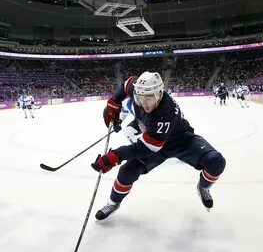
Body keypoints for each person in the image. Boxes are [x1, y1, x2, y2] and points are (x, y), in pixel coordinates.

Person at [91, 71, 226, 220]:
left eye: (149, 98)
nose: (144, 103)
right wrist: (114, 102)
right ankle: (113, 203)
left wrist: (116, 155)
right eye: (140, 98)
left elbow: (145, 148)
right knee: (127, 171)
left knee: (216, 161)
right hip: (154, 139)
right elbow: (126, 84)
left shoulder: (165, 113)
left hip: (181, 141)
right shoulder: (138, 90)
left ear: (160, 93)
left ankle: (203, 186)